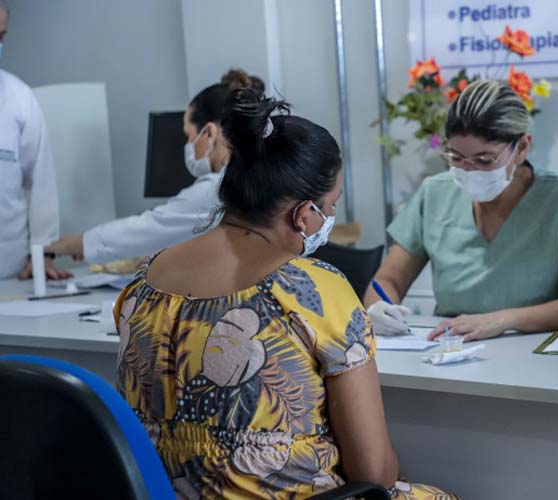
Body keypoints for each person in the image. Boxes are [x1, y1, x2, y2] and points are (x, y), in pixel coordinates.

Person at [115, 90, 457, 499]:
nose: (329, 218)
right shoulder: (313, 289)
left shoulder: (142, 282)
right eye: (329, 207)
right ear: (302, 214)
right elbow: (373, 472)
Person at [364, 80, 558, 342]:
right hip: (452, 352)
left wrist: (505, 319)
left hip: (537, 354)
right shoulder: (434, 195)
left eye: (485, 160)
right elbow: (388, 281)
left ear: (521, 148)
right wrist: (378, 310)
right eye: (455, 158)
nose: (468, 170)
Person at [47, 69, 264, 264]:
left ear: (208, 133)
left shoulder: (218, 188)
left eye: (188, 136)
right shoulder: (260, 174)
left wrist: (78, 243)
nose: (189, 146)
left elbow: (150, 228)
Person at [0, 1, 70, 280]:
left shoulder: (19, 98)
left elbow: (40, 183)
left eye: (1, 36)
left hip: (9, 270)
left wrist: (43, 255)